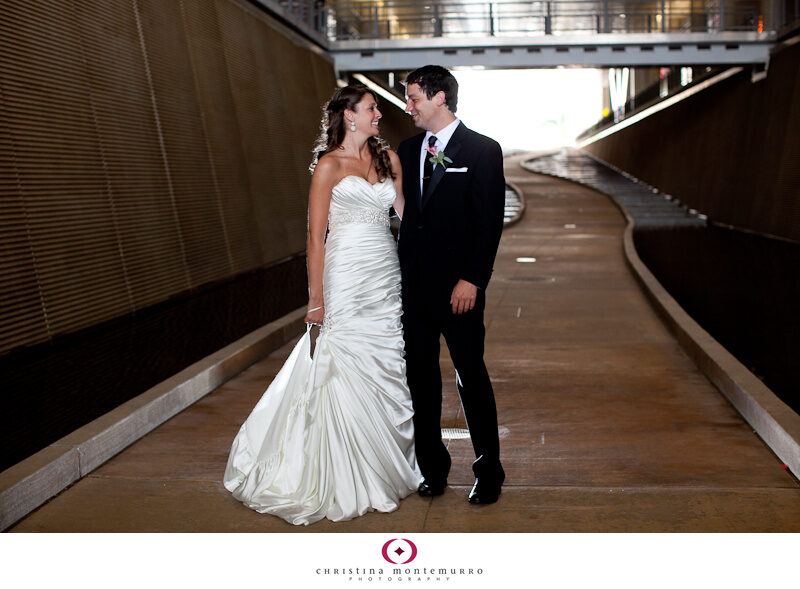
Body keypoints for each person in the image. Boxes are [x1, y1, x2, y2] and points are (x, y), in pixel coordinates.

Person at [223, 85, 422, 525]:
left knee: (385, 360)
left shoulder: (390, 160)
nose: (378, 114)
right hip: (345, 275)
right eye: (371, 108)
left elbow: (406, 217)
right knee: (344, 362)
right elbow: (315, 238)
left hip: (384, 274)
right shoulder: (328, 166)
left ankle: (381, 464)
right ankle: (341, 471)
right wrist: (316, 300)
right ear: (350, 116)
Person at [397, 65, 506, 504]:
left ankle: (489, 473)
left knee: (470, 378)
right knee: (420, 381)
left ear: (440, 97)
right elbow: (406, 216)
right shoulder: (406, 150)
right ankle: (433, 470)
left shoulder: (483, 150)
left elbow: (488, 224)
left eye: (414, 98)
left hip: (460, 291)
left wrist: (473, 280)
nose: (409, 108)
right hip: (415, 290)